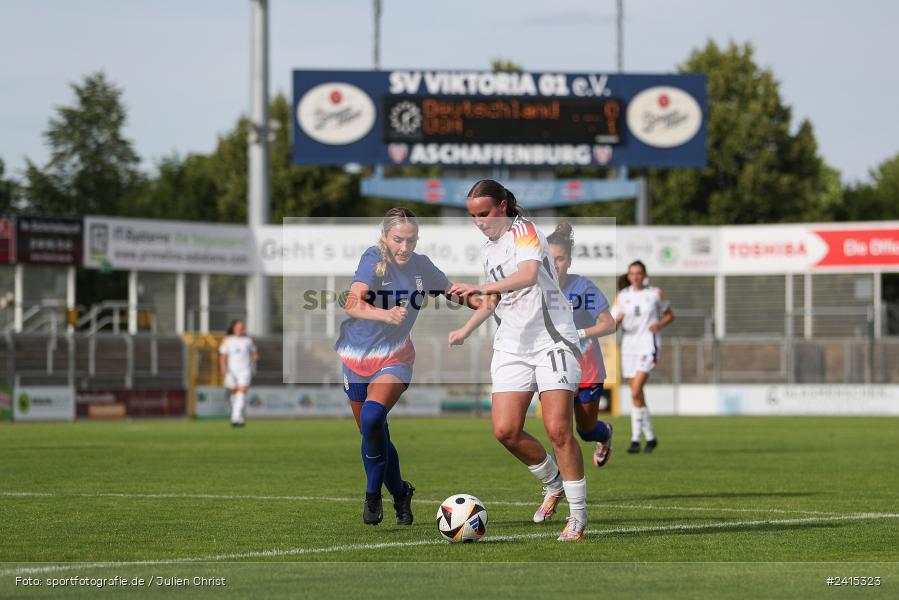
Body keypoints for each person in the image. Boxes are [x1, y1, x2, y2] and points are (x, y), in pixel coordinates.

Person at [447, 180, 589, 542]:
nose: (479, 221)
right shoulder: (488, 251)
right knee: (505, 430)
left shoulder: (524, 230)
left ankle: (577, 517)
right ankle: (552, 484)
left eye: (485, 213)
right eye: (472, 216)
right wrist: (465, 328)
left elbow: (526, 275)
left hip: (552, 339)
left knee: (558, 429)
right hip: (512, 343)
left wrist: (480, 289)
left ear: (504, 205)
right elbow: (494, 302)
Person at [335, 207, 479, 526]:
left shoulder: (421, 266)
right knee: (372, 431)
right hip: (357, 356)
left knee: (373, 416)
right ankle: (401, 492)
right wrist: (385, 314)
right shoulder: (373, 258)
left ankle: (373, 494)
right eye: (398, 239)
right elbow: (352, 303)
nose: (405, 247)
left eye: (411, 240)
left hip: (395, 356)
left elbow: (452, 291)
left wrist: (488, 303)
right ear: (385, 237)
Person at [546, 222, 617, 468]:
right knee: (559, 431)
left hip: (587, 368)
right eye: (550, 259)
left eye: (561, 259)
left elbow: (609, 324)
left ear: (569, 261)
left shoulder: (583, 287)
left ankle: (605, 433)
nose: (556, 265)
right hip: (553, 368)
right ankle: (559, 489)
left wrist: (580, 332)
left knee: (586, 430)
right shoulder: (535, 288)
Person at [612, 260, 674, 454]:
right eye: (632, 273)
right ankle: (651, 438)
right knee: (637, 394)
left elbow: (670, 315)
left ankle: (635, 439)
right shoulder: (622, 297)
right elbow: (611, 325)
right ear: (628, 276)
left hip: (648, 345)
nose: (636, 276)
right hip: (629, 346)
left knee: (636, 390)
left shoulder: (655, 293)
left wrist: (659, 325)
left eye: (639, 273)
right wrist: (618, 321)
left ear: (644, 274)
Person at [219, 319, 258, 428]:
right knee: (233, 394)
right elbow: (223, 356)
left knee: (241, 392)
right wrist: (223, 368)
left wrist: (254, 357)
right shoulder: (227, 340)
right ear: (233, 328)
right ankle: (240, 418)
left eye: (242, 327)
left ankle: (234, 418)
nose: (240, 329)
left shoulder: (248, 340)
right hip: (231, 371)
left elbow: (254, 353)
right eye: (238, 327)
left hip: (244, 370)